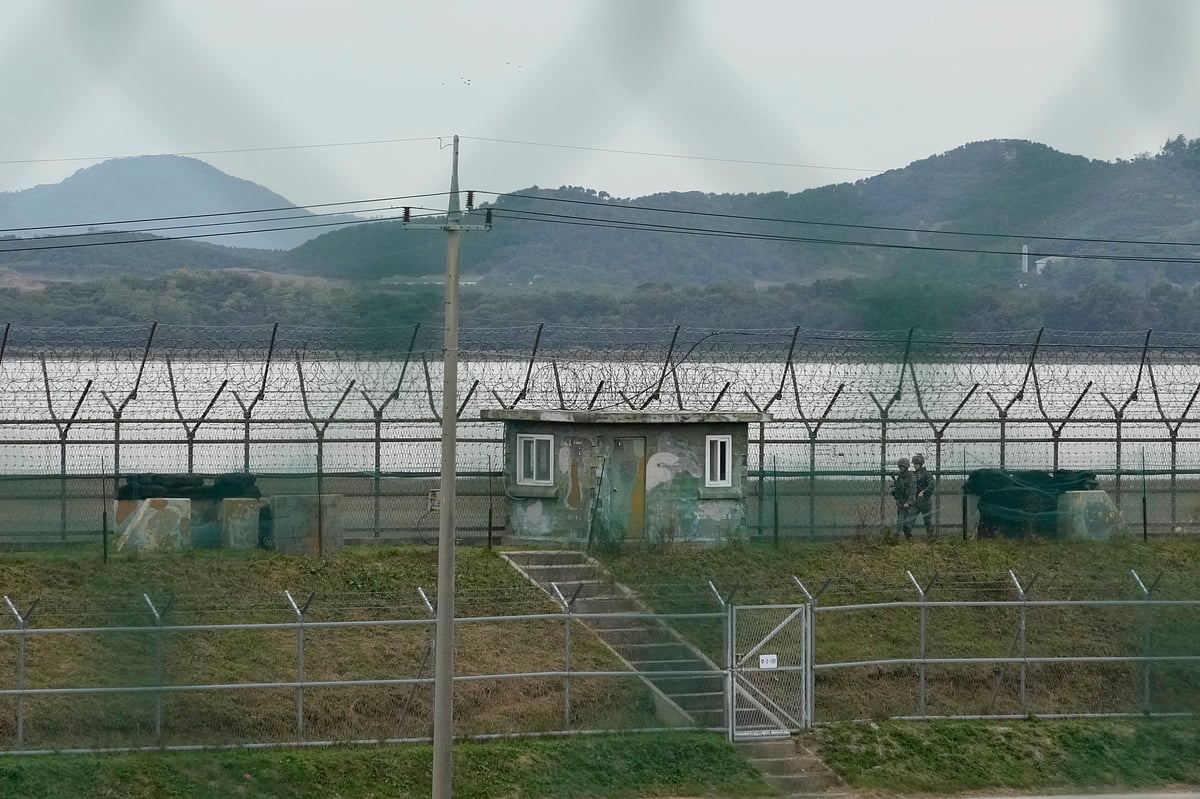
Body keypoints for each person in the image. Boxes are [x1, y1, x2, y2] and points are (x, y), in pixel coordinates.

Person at [890, 456, 917, 539]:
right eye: (899, 467)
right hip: (901, 502)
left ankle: (896, 537)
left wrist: (908, 502)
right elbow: (898, 490)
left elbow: (913, 491)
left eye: (902, 467)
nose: (900, 468)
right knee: (903, 522)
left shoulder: (911, 477)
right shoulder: (899, 477)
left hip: (907, 503)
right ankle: (908, 537)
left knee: (901, 521)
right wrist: (894, 491)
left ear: (906, 467)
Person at [910, 453, 935, 538]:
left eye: (916, 464)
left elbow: (931, 485)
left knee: (927, 520)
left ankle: (930, 538)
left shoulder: (926, 474)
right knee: (911, 519)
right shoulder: (913, 474)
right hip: (915, 501)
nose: (915, 466)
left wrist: (924, 491)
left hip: (925, 501)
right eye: (914, 464)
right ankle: (908, 538)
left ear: (921, 464)